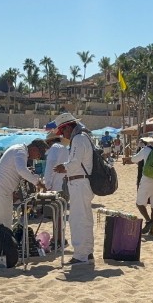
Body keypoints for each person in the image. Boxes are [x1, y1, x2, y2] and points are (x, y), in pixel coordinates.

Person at [0, 139, 47, 247]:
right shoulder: (20, 151)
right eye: (39, 154)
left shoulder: (20, 152)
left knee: (7, 226)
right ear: (34, 149)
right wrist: (38, 182)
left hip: (5, 194)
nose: (37, 158)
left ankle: (3, 255)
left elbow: (18, 172)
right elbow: (21, 170)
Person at [53, 112, 95, 266]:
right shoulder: (84, 137)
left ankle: (80, 255)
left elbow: (75, 163)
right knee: (85, 219)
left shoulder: (78, 139)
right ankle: (87, 253)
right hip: (82, 183)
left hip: (79, 183)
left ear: (68, 127)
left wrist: (62, 167)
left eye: (63, 131)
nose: (63, 134)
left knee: (77, 220)